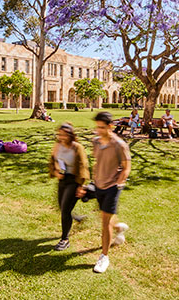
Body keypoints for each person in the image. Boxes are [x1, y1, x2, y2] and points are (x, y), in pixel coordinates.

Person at [77, 111, 131, 274]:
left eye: (102, 127)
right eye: (97, 127)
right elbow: (98, 163)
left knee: (104, 222)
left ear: (110, 126)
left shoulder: (120, 145)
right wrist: (88, 184)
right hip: (98, 185)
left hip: (112, 188)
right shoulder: (96, 142)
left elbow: (126, 167)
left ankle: (104, 257)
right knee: (104, 216)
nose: (98, 130)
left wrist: (119, 181)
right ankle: (119, 229)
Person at [48, 123, 90, 251]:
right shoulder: (58, 146)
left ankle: (64, 239)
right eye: (59, 134)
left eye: (64, 135)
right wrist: (55, 171)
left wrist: (80, 185)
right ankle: (76, 218)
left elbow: (83, 166)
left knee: (65, 210)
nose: (61, 137)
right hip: (63, 179)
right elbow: (53, 159)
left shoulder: (77, 147)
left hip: (74, 180)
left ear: (70, 135)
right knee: (62, 207)